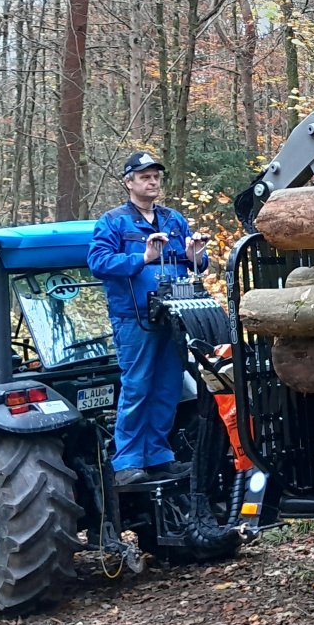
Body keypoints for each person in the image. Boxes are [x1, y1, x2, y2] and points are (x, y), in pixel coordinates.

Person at [88, 151, 211, 486]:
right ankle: (126, 461)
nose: (152, 182)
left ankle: (158, 455)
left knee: (168, 386)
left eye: (156, 176)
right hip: (135, 319)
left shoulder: (174, 220)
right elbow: (98, 263)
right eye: (145, 177)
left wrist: (195, 255)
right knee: (138, 386)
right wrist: (142, 257)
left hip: (174, 316)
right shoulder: (113, 221)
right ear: (129, 182)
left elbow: (198, 265)